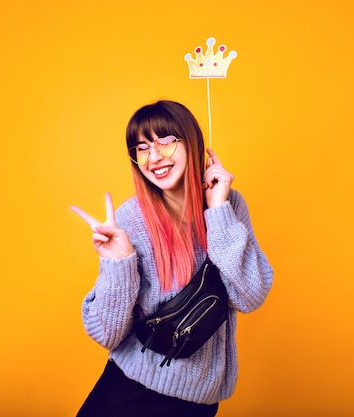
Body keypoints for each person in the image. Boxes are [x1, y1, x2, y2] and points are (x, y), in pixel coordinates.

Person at [70, 100, 273, 417]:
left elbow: (250, 296)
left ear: (190, 143)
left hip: (199, 401)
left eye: (165, 142)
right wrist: (118, 264)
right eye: (142, 148)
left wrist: (218, 211)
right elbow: (106, 334)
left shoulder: (229, 204)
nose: (155, 158)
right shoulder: (130, 219)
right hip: (130, 392)